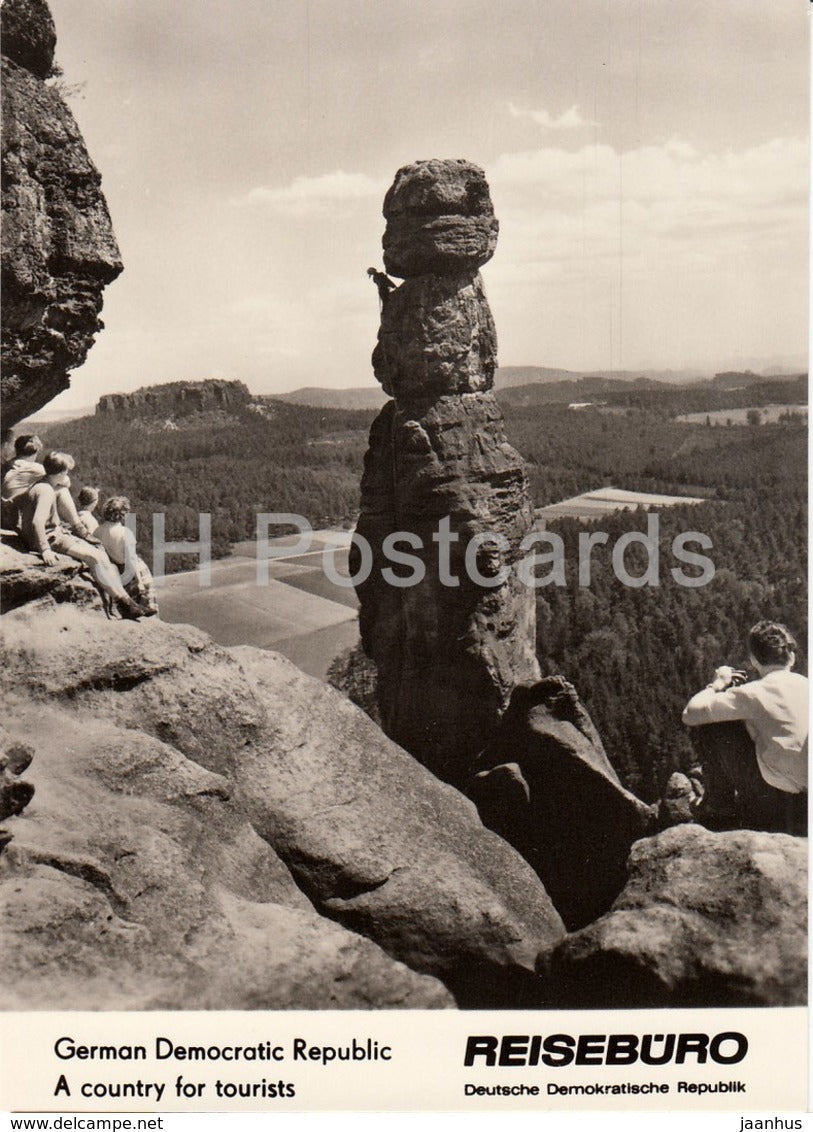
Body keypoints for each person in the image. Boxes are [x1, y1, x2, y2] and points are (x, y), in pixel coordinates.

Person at [682, 621, 808, 834]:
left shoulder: (754, 692)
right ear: (792, 657)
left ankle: (719, 808)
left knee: (713, 725)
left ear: (753, 660)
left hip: (777, 805)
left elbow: (690, 714)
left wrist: (718, 684)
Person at [17, 452, 146, 620]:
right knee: (95, 557)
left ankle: (126, 601)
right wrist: (45, 549)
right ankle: (124, 603)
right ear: (62, 473)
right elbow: (37, 522)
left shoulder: (41, 485)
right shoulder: (47, 491)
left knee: (99, 552)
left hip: (47, 534)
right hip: (49, 538)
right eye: (67, 471)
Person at [96, 495, 158, 616]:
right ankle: (148, 611)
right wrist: (139, 582)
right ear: (123, 514)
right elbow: (131, 560)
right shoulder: (125, 533)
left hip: (113, 567)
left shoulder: (98, 531)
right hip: (130, 569)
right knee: (146, 598)